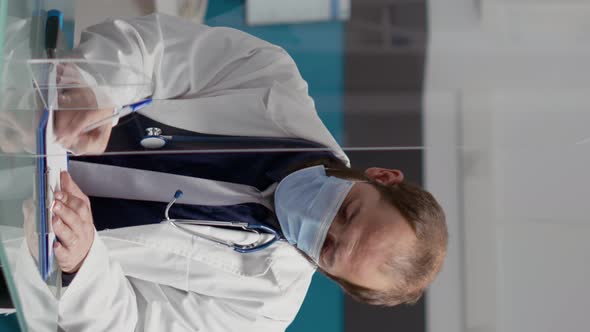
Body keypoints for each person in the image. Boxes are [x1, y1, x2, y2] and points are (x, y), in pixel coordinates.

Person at [42, 14, 448, 331]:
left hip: (24, 237)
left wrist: (83, 263)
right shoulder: (268, 77)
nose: (318, 220)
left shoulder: (261, 313)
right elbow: (153, 48)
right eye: (348, 212)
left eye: (328, 248)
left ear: (334, 279)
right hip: (28, 108)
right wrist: (99, 88)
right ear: (381, 176)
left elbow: (132, 322)